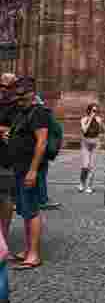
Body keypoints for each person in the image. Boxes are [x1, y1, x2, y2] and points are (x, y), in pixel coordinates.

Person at [4, 77, 49, 270]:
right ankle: (27, 249)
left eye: (22, 94)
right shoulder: (23, 112)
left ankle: (34, 254)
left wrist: (32, 170)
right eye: (17, 94)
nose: (18, 98)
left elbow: (42, 142)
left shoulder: (38, 112)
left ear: (32, 93)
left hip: (29, 169)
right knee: (25, 211)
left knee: (32, 211)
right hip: (19, 168)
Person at [0, 73, 18, 256]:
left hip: (6, 158)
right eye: (1, 86)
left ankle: (3, 241)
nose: (3, 90)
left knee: (5, 198)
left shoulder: (17, 106)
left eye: (8, 86)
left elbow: (16, 130)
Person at [79, 103, 104, 194]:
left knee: (92, 166)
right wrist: (90, 119)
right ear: (89, 111)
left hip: (95, 143)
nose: (95, 113)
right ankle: (82, 183)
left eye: (96, 111)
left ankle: (89, 186)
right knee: (85, 166)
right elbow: (84, 130)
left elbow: (103, 129)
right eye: (93, 111)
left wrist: (101, 124)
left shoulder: (98, 119)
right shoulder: (84, 119)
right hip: (86, 143)